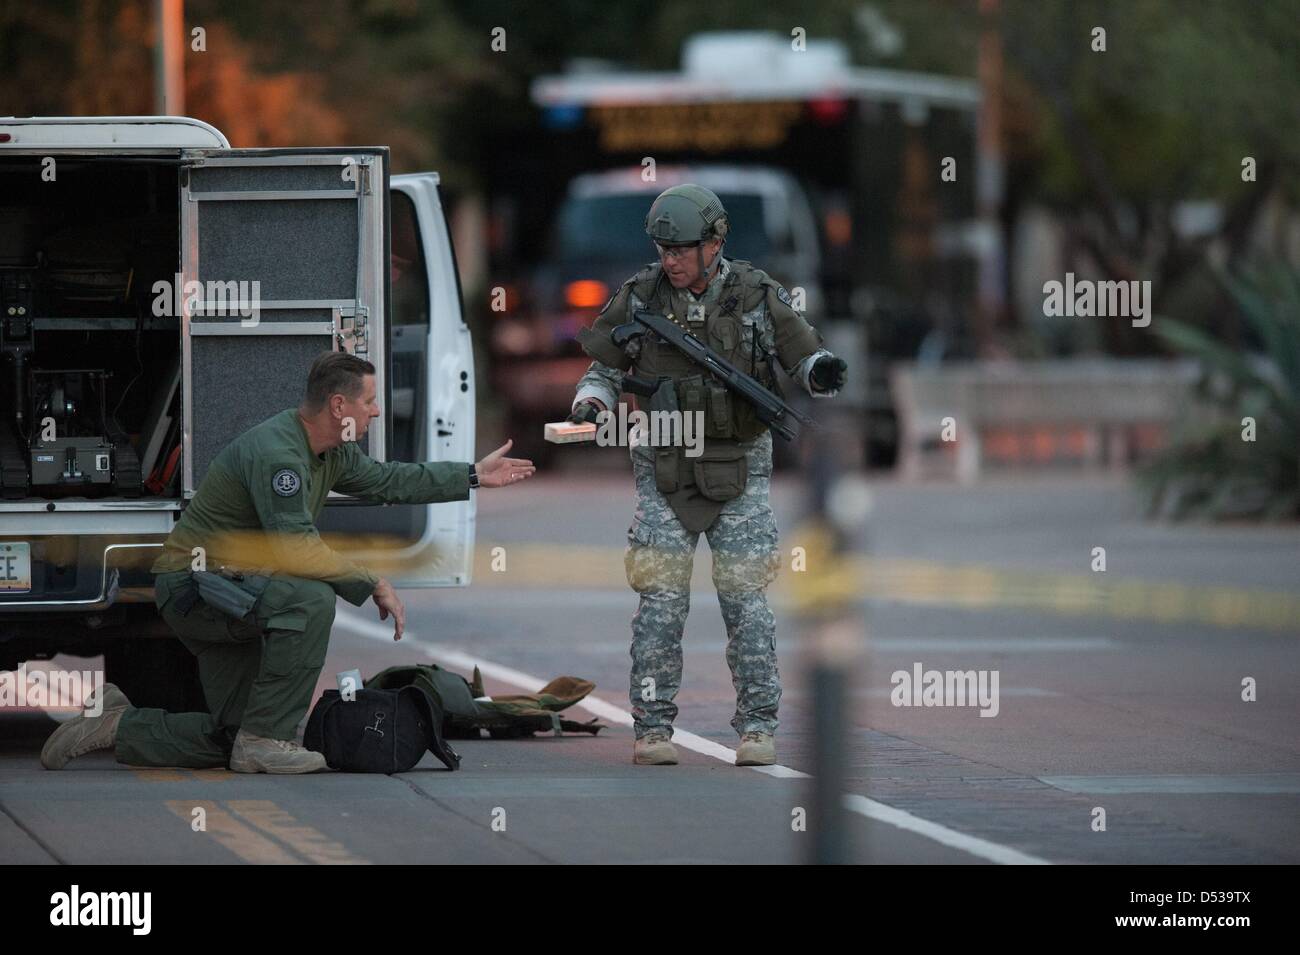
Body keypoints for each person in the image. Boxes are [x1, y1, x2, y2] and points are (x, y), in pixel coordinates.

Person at [41, 351, 534, 774]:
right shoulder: (279, 453)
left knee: (228, 738)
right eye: (369, 401)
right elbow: (296, 546)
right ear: (339, 405)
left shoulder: (331, 450)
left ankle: (116, 723)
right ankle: (264, 744)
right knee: (311, 601)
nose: (377, 411)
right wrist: (372, 581)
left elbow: (387, 481)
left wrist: (470, 474)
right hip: (197, 590)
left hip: (233, 591)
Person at [570, 184, 846, 767]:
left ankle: (757, 727)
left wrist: (821, 370)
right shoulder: (640, 295)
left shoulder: (754, 293)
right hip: (664, 470)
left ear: (715, 243)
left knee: (746, 601)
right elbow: (602, 370)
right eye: (663, 249)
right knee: (661, 604)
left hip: (740, 466)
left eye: (682, 250)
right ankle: (651, 729)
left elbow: (804, 353)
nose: (670, 260)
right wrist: (591, 402)